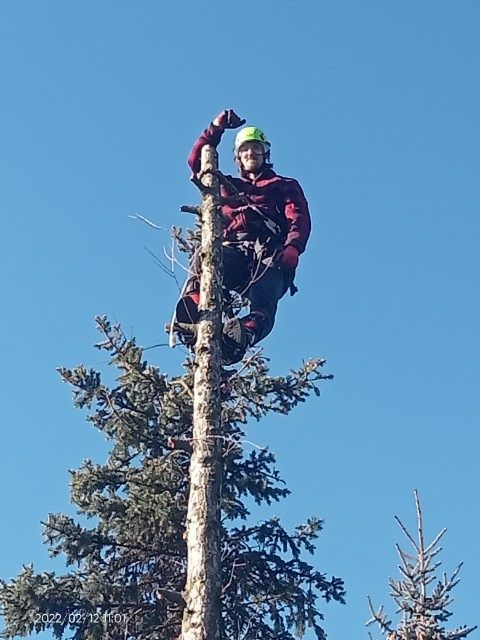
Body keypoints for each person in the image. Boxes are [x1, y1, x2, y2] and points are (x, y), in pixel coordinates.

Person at [174, 109, 311, 365]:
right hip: (234, 249)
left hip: (269, 254)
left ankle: (243, 333)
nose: (251, 154)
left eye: (256, 150)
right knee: (207, 258)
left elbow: (298, 217)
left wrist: (293, 247)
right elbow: (196, 162)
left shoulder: (283, 185)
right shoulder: (225, 185)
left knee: (265, 300)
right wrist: (215, 128)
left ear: (265, 154)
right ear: (238, 156)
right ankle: (194, 304)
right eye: (246, 150)